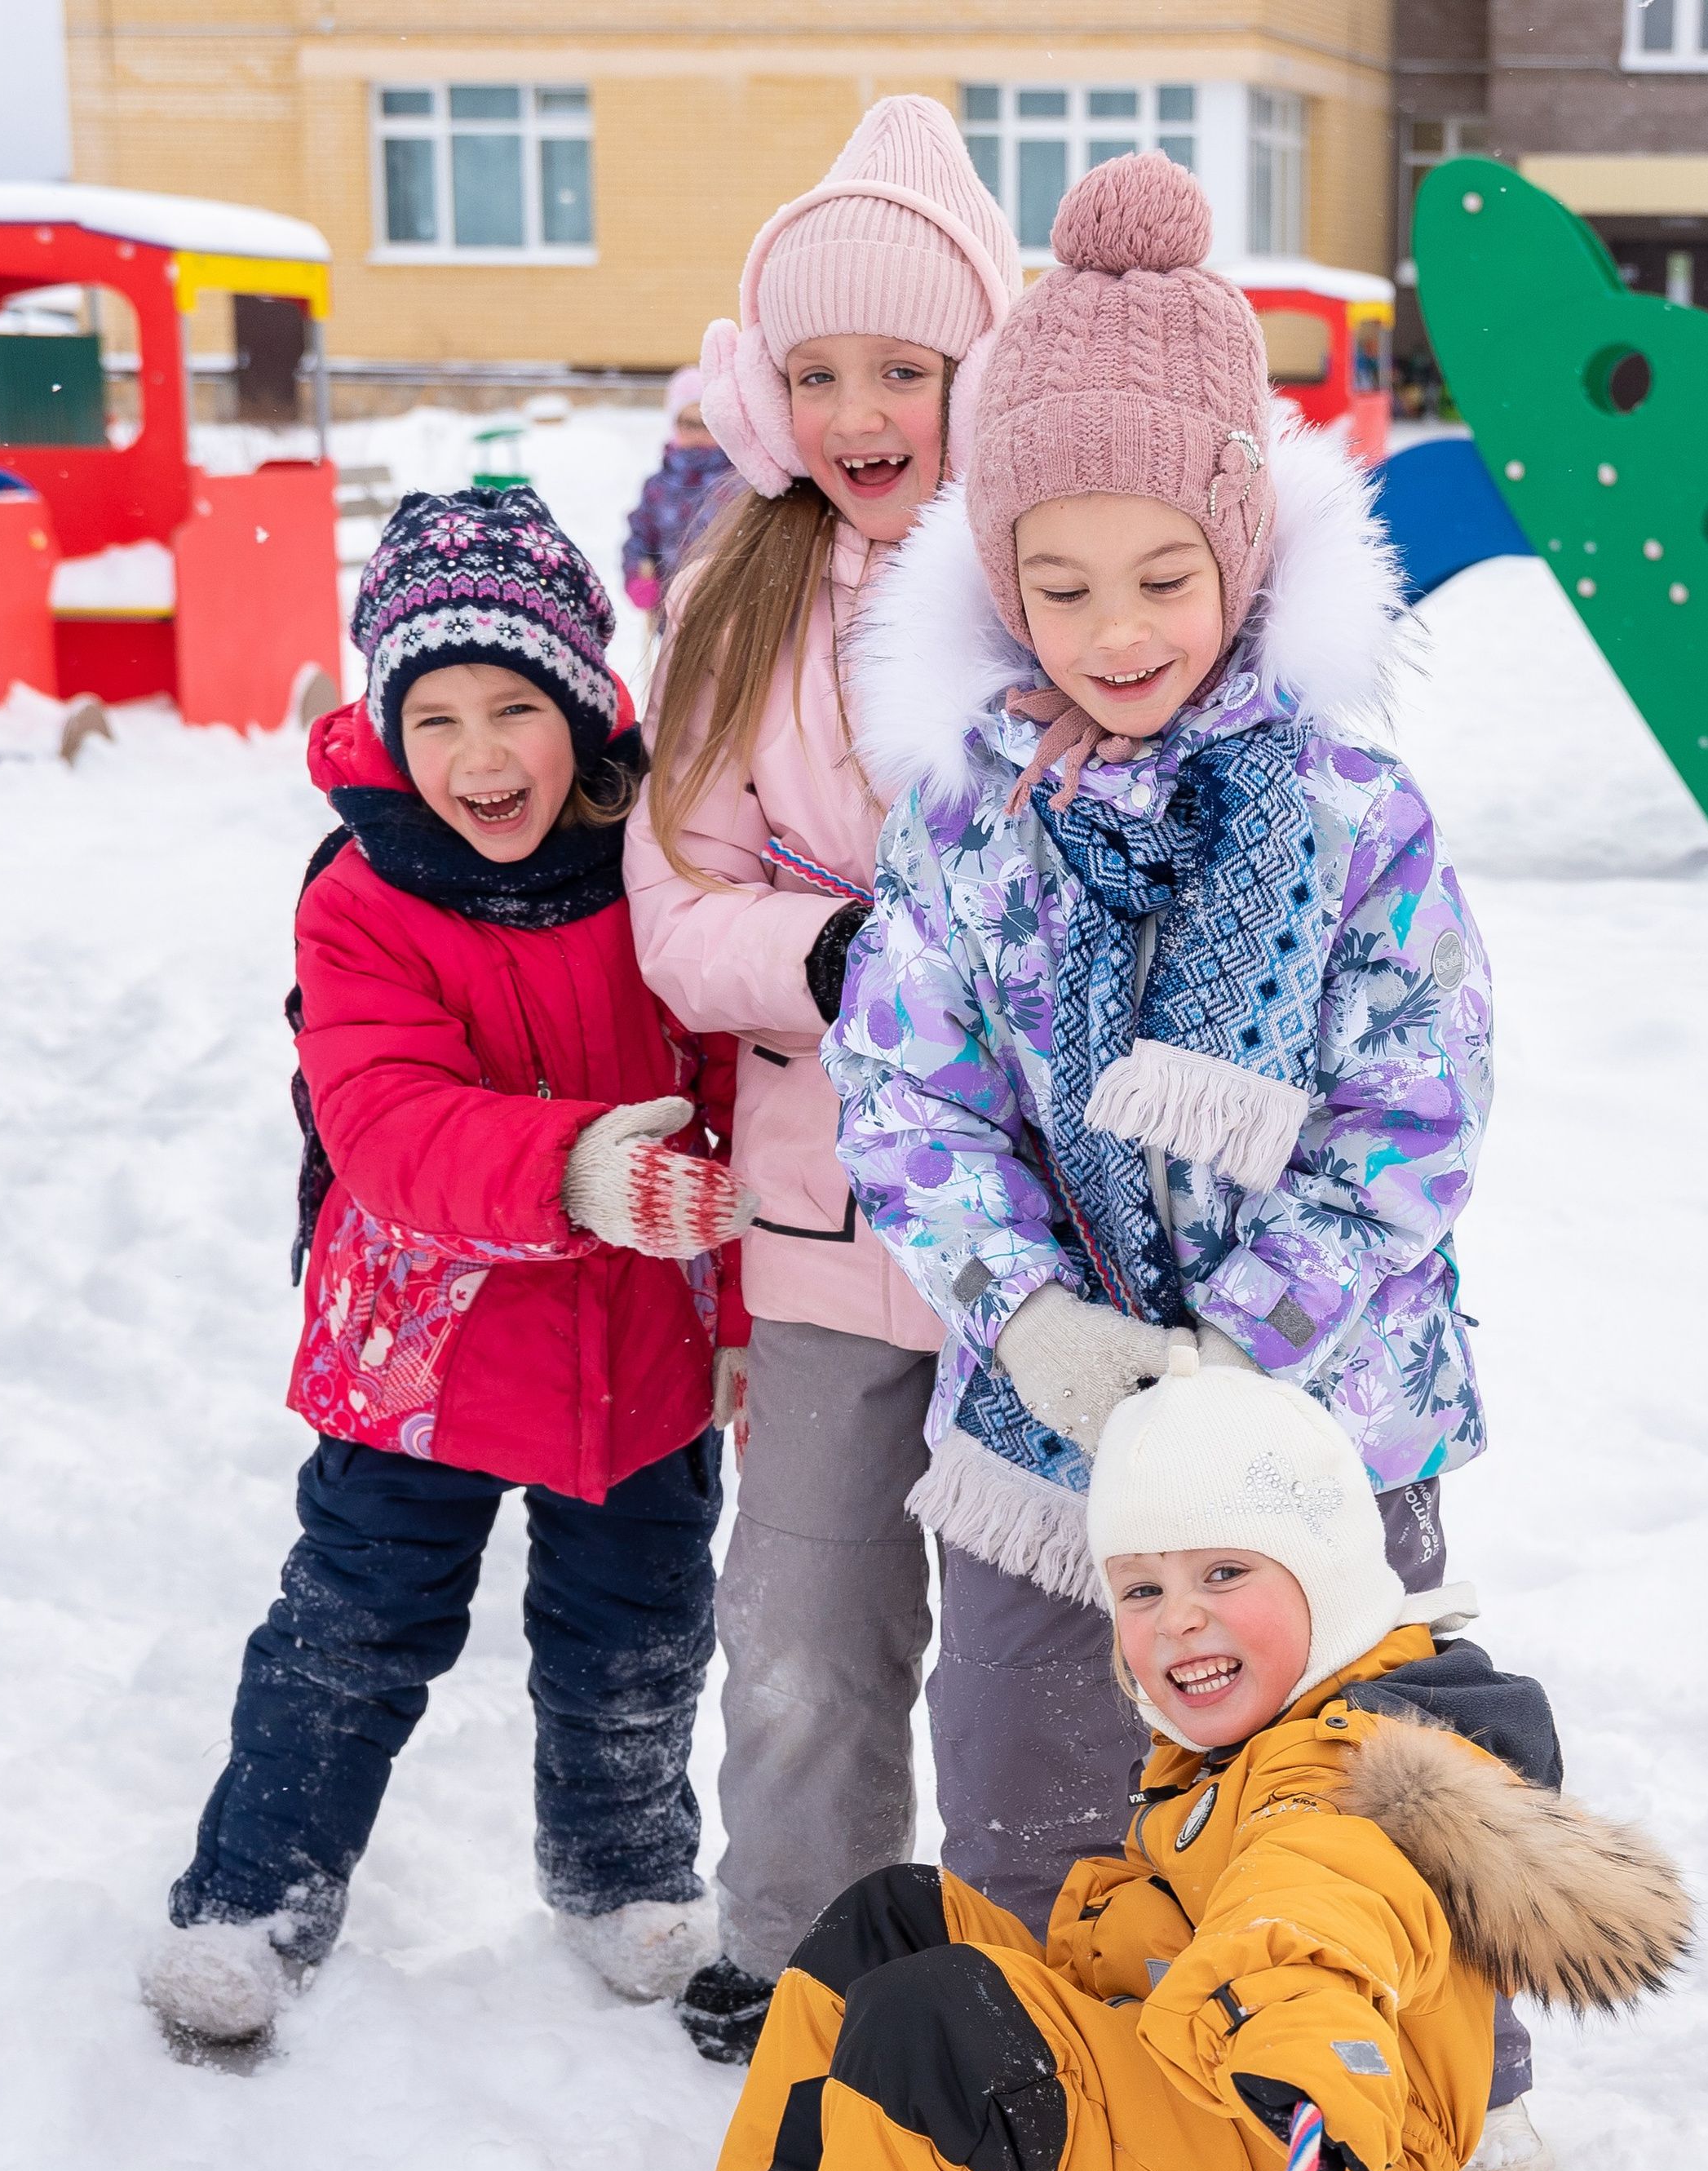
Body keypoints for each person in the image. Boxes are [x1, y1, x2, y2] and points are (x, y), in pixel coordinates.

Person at [538, 1341, 1690, 2171]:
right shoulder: (1242, 1745)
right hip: (1208, 2167)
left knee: (950, 2019)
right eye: (1138, 1587)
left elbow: (1320, 1906)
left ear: (1334, 1575)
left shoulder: (1363, 1770)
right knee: (895, 1923)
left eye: (1225, 1570)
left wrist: (1306, 2038)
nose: (1176, 1616)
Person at [826, 148, 1495, 1972]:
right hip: (1051, 1422)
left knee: (1347, 1778)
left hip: (1323, 1399)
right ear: (999, 584)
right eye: (1057, 587)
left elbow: (1413, 1113)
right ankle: (1042, 2087)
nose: (1115, 634)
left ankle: (1384, 2081)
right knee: (1027, 1766)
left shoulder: (1353, 813)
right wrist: (1036, 1320)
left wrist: (1245, 1341)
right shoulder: (969, 818)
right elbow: (905, 1093)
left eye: (1160, 577)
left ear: (1241, 555)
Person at [140, 485, 753, 2049]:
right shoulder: (364, 899)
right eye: (436, 715)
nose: (481, 757)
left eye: (516, 709)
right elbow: (385, 1117)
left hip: (638, 1347)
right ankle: (254, 1894)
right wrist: (570, 1168)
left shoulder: (659, 862)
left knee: (637, 1624)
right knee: (354, 1624)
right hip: (418, 1350)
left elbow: (739, 1080)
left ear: (583, 706)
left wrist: (739, 1310)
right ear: (383, 722)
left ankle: (622, 1871)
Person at [624, 95, 1020, 2065]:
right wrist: (824, 950)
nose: (863, 406)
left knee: (1029, 1626)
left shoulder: (1053, 572)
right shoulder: (744, 590)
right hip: (815, 1207)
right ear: (771, 394)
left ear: (979, 373)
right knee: (798, 1619)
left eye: (905, 367)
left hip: (1027, 1228)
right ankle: (792, 1939)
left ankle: (1043, 1948)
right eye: (818, 370)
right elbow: (674, 881)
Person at [621, 367, 739, 627]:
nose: (698, 433)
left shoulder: (741, 483)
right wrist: (636, 575)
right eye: (688, 423)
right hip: (673, 617)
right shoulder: (658, 486)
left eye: (706, 423)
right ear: (674, 425)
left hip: (731, 617)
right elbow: (641, 539)